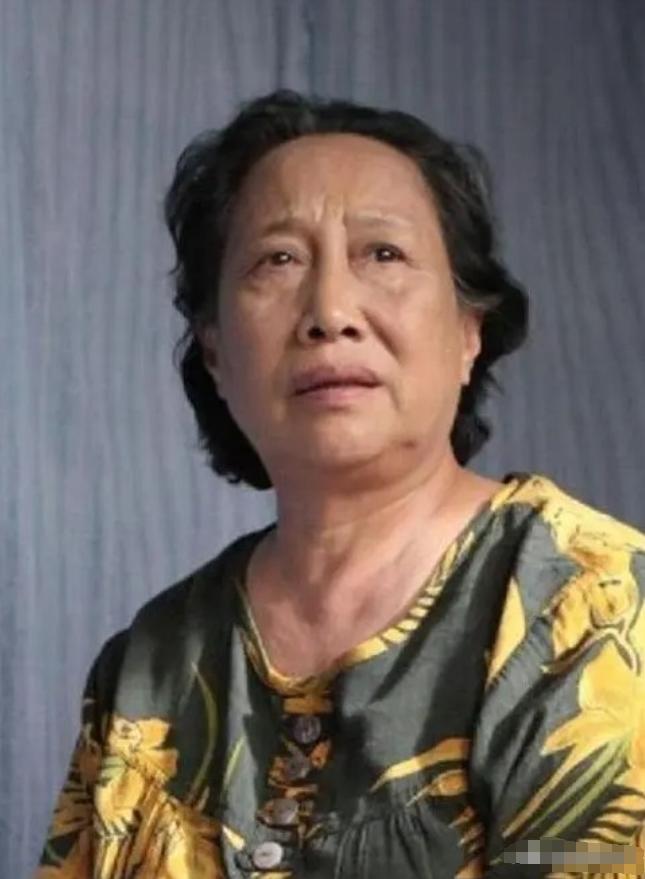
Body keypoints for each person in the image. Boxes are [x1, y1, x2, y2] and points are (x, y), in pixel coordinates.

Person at [36, 90, 645, 878]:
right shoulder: (148, 664)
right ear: (215, 351)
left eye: (382, 254)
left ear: (469, 331)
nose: (329, 311)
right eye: (277, 260)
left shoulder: (591, 605)